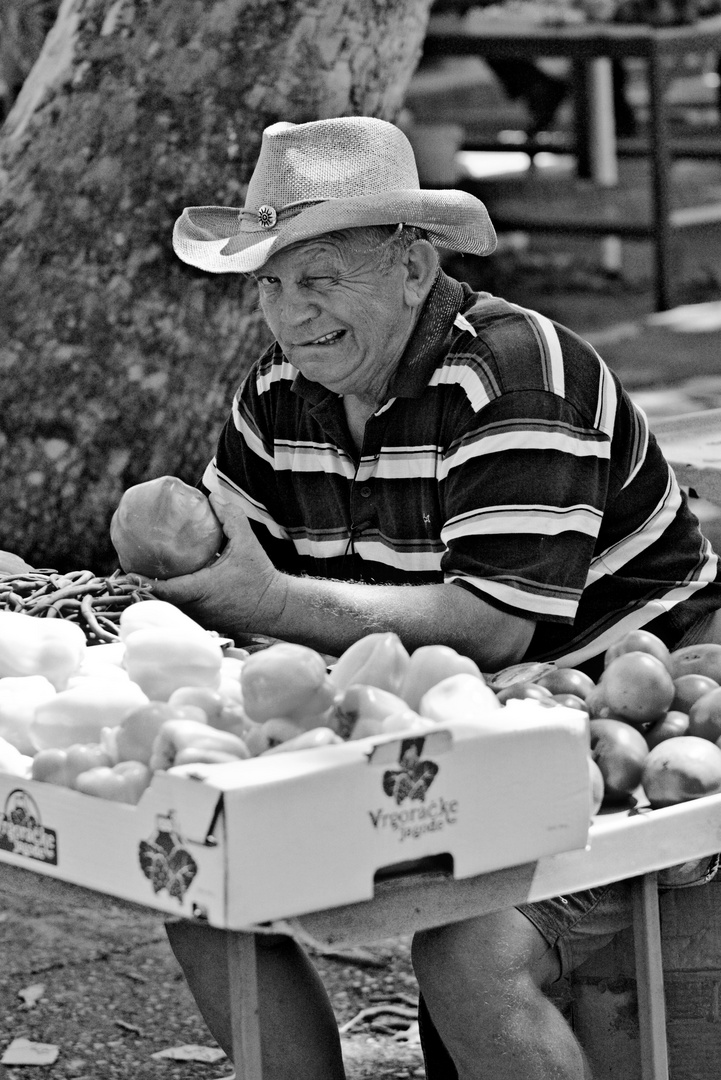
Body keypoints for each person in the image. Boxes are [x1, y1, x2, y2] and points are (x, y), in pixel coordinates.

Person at [143, 116, 721, 1079]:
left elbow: (489, 626)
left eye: (320, 280)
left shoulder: (519, 373)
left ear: (413, 266)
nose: (290, 317)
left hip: (624, 748)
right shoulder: (282, 387)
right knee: (203, 893)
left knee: (467, 952)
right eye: (272, 286)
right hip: (449, 733)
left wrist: (266, 598)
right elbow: (225, 571)